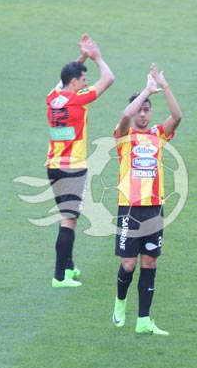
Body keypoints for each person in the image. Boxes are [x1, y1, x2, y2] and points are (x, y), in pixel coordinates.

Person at [112, 64, 182, 335]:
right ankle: (120, 303)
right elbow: (124, 115)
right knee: (128, 264)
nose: (142, 114)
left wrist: (164, 86)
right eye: (139, 110)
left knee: (150, 262)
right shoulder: (124, 135)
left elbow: (177, 116)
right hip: (129, 208)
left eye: (147, 110)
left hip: (154, 209)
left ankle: (144, 320)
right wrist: (146, 91)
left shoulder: (158, 134)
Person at [46, 34, 114, 288]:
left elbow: (64, 80)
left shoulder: (53, 98)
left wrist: (82, 57)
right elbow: (109, 79)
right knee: (68, 220)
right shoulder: (79, 99)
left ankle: (68, 266)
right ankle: (59, 277)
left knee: (67, 217)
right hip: (73, 168)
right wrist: (96, 57)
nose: (86, 83)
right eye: (83, 79)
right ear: (75, 82)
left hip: (53, 166)